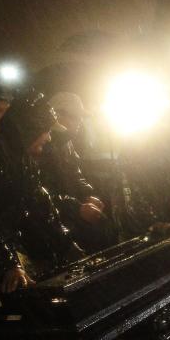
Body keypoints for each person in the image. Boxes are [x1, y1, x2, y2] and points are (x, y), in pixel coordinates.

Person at [0, 93, 82, 292]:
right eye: (45, 130)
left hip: (15, 249)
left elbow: (42, 203)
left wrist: (67, 246)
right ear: (27, 130)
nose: (48, 137)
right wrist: (10, 265)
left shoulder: (23, 160)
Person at [38, 92, 117, 252]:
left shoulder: (67, 143)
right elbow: (39, 193)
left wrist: (87, 194)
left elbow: (76, 173)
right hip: (54, 221)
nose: (80, 121)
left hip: (73, 213)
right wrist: (75, 208)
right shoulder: (41, 146)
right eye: (75, 117)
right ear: (57, 115)